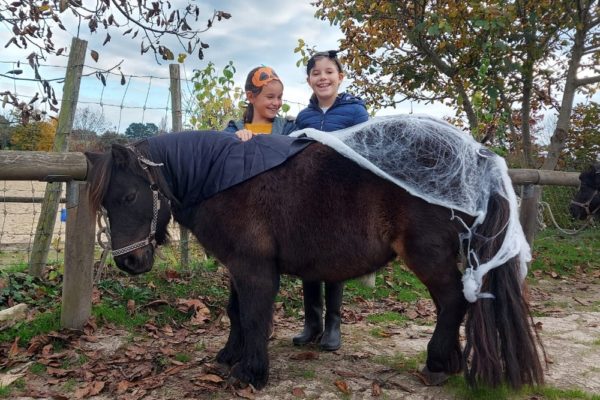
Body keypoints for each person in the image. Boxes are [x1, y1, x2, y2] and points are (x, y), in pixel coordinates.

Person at [293, 50, 369, 351]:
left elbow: (366, 150)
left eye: (328, 72)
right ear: (309, 80)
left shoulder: (354, 112)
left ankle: (333, 324)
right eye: (316, 73)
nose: (322, 77)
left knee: (332, 259)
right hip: (307, 199)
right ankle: (312, 324)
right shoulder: (304, 117)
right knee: (308, 258)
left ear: (340, 77)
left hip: (341, 197)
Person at [224, 66, 295, 138]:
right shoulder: (233, 130)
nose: (276, 103)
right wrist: (234, 139)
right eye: (270, 97)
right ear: (251, 97)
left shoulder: (289, 129)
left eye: (279, 97)